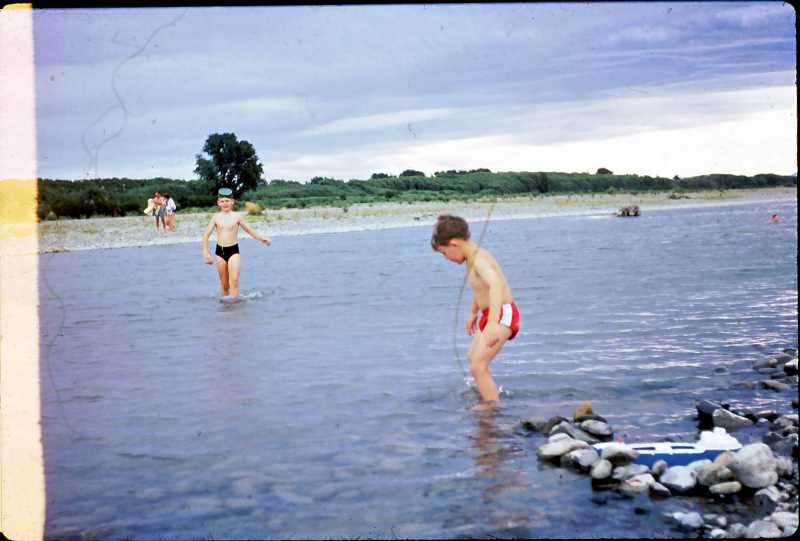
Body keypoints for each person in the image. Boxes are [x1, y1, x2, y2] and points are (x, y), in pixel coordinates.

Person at [431, 214, 521, 404]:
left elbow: (495, 285)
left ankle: (492, 407)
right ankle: (488, 396)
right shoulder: (472, 258)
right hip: (491, 313)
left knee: (478, 365)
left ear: (454, 244)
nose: (446, 258)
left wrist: (493, 323)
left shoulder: (479, 259)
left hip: (502, 313)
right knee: (473, 357)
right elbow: (481, 288)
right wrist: (473, 312)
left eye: (444, 253)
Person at [202, 187, 272, 298]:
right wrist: (206, 253)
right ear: (218, 203)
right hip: (220, 252)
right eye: (222, 201)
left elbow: (250, 230)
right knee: (224, 285)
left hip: (233, 250)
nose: (225, 203)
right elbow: (206, 235)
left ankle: (235, 304)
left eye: (227, 201)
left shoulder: (237, 217)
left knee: (234, 280)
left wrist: (262, 239)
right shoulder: (215, 218)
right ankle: (225, 304)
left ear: (232, 202)